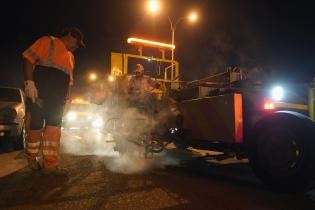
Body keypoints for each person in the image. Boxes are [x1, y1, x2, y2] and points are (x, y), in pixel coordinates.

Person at [22, 27, 85, 175]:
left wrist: (67, 99)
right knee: (36, 127)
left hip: (57, 99)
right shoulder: (48, 42)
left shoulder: (70, 56)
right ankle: (32, 159)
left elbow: (69, 81)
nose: (77, 46)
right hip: (38, 95)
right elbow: (28, 59)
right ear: (70, 35)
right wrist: (29, 83)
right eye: (77, 42)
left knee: (54, 129)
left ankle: (50, 165)